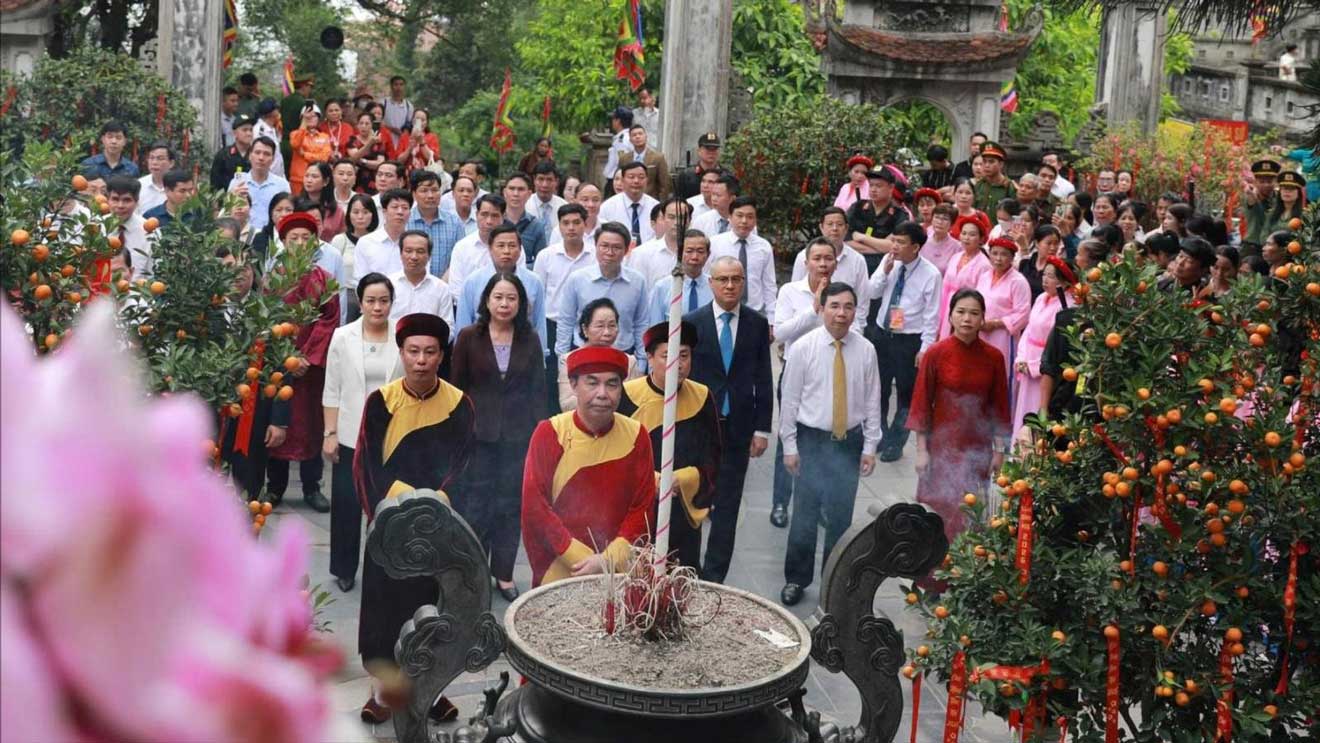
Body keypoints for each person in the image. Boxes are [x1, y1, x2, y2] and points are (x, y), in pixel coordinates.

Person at [353, 312, 474, 725]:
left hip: (439, 530)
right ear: (401, 353)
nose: (421, 360)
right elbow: (367, 464)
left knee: (431, 609)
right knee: (385, 609)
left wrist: (436, 505)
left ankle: (430, 690)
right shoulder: (381, 402)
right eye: (413, 352)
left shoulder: (459, 405)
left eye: (430, 352)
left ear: (442, 356)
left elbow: (464, 466)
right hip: (390, 525)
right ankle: (384, 691)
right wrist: (404, 507)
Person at [779, 282, 881, 606]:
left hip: (848, 442)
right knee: (805, 515)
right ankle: (796, 578)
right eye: (834, 305)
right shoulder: (803, 348)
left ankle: (833, 583)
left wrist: (870, 446)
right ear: (821, 308)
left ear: (855, 311)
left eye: (848, 306)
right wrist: (790, 447)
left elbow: (873, 400)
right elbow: (789, 402)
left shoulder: (865, 349)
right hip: (812, 440)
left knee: (841, 517)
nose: (841, 313)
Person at [521, 345, 656, 586]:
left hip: (620, 567)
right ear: (573, 385)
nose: (603, 394)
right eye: (592, 383)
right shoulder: (550, 432)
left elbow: (642, 506)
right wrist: (580, 558)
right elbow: (535, 506)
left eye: (612, 384)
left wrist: (608, 558)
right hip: (563, 566)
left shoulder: (637, 435)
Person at [452, 272, 546, 600]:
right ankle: (473, 573)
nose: (504, 304)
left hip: (518, 437)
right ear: (487, 301)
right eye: (498, 297)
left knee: (509, 506)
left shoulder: (530, 338)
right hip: (478, 437)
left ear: (521, 304)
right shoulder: (467, 337)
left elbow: (538, 390)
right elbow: (457, 388)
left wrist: (540, 435)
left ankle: (503, 574)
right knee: (475, 506)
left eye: (511, 298)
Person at [683, 256, 772, 582]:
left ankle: (714, 578)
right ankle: (687, 571)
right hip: (699, 427)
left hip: (738, 428)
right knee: (693, 501)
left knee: (728, 506)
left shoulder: (755, 323)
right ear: (711, 283)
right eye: (723, 279)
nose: (730, 286)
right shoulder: (692, 322)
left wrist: (762, 428)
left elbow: (763, 377)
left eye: (736, 279)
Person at [908, 289, 1010, 543]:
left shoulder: (994, 357)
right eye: (961, 312)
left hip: (977, 449)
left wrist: (999, 451)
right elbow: (921, 404)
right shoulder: (936, 353)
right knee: (935, 518)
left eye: (974, 313)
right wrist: (922, 450)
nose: (967, 319)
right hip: (941, 448)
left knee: (970, 517)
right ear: (950, 316)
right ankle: (930, 580)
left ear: (983, 318)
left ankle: (965, 579)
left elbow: (999, 407)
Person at [322, 273, 402, 593]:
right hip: (350, 432)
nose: (377, 307)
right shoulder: (343, 336)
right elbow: (333, 387)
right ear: (360, 301)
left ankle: (383, 566)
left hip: (391, 435)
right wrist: (329, 432)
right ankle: (344, 568)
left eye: (383, 301)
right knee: (346, 502)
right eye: (370, 300)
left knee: (386, 504)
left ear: (391, 302)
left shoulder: (403, 335)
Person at [618, 321, 721, 570]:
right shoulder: (628, 396)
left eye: (684, 355)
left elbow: (713, 456)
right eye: (667, 355)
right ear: (650, 358)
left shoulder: (702, 396)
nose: (678, 363)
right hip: (638, 507)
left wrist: (683, 478)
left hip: (683, 509)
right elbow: (616, 456)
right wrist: (650, 480)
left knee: (681, 577)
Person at [266, 212, 341, 513]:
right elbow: (268, 321)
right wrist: (288, 358)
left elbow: (330, 321)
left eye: (305, 238)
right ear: (283, 242)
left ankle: (312, 486)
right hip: (281, 365)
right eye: (293, 238)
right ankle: (275, 487)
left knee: (311, 424)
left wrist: (307, 357)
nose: (299, 243)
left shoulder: (325, 279)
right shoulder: (274, 280)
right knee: (278, 422)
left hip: (312, 369)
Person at [866, 221, 943, 463]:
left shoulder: (931, 274)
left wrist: (925, 348)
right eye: (894, 240)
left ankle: (895, 443)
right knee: (878, 389)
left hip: (908, 339)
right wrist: (884, 272)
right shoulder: (889, 261)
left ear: (916, 247)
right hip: (882, 333)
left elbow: (932, 315)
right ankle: (879, 435)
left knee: (906, 395)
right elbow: (872, 293)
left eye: (901, 242)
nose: (895, 246)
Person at [555, 223, 650, 360]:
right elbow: (566, 321)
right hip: (584, 353)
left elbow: (641, 323)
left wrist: (641, 361)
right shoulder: (577, 279)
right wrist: (563, 359)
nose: (609, 253)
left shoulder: (637, 282)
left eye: (616, 247)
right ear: (596, 247)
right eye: (604, 246)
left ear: (626, 250)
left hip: (623, 353)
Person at [453, 224, 549, 356]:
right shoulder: (472, 282)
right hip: (481, 354)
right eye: (501, 245)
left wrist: (541, 357)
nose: (506, 251)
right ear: (490, 249)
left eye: (512, 246)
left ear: (520, 250)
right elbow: (463, 325)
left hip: (522, 354)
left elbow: (539, 324)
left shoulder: (533, 281)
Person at [536, 203, 596, 411]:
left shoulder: (595, 254)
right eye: (566, 223)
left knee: (587, 376)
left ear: (585, 224)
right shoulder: (546, 256)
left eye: (576, 222)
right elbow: (539, 293)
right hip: (553, 325)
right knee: (554, 379)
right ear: (559, 226)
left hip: (587, 327)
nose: (571, 228)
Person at [1011, 257, 1073, 436]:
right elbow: (1028, 330)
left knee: (1040, 406)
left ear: (1064, 281)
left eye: (1052, 276)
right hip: (1028, 359)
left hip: (1045, 366)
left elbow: (1058, 347)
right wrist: (1021, 358)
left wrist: (1035, 366)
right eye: (1044, 274)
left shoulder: (1067, 306)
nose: (1045, 280)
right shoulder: (1040, 298)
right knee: (1023, 408)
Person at [791, 208, 871, 328]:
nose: (834, 228)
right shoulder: (803, 256)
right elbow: (794, 292)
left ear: (846, 228)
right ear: (821, 227)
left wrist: (857, 329)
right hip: (807, 326)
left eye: (839, 224)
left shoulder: (857, 260)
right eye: (829, 224)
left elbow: (862, 300)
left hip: (843, 328)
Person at [558, 299, 639, 411]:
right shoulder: (569, 360)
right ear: (585, 329)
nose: (607, 332)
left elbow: (634, 402)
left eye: (612, 325)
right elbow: (566, 405)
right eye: (600, 326)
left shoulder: (629, 362)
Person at [709, 196, 777, 324]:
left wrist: (771, 321)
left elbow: (769, 285)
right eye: (739, 216)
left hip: (755, 313)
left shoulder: (764, 246)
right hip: (722, 312)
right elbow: (709, 278)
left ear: (755, 220)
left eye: (750, 217)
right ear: (730, 217)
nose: (744, 221)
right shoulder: (715, 243)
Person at [975, 237, 1032, 380]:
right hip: (981, 331)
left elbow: (1023, 314)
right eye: (994, 253)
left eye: (1004, 254)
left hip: (1004, 335)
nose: (998, 259)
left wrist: (995, 323)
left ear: (1012, 258)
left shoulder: (1018, 281)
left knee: (1001, 372)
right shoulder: (984, 276)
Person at [448, 195, 526, 288]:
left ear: (503, 217)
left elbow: (521, 281)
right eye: (484, 215)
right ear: (477, 215)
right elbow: (456, 287)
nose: (489, 221)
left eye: (495, 216)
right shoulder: (462, 247)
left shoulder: (514, 248)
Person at [936, 212, 992, 339]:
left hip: (965, 310)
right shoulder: (955, 257)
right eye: (964, 233)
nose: (966, 238)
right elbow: (945, 287)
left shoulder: (984, 265)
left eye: (972, 234)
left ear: (981, 239)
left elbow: (981, 296)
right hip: (947, 306)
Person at [405, 170, 465, 278]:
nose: (430, 195)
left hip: (445, 287)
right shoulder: (405, 221)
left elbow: (461, 258)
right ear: (414, 194)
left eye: (435, 190)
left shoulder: (455, 223)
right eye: (424, 191)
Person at [388, 231, 454, 324]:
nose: (414, 257)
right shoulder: (388, 285)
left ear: (429, 256)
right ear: (401, 253)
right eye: (408, 251)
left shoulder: (442, 289)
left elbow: (448, 326)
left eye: (420, 251)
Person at [649, 228, 712, 323]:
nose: (694, 257)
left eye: (700, 251)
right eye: (689, 251)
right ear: (679, 253)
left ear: (708, 254)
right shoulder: (663, 287)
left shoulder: (715, 286)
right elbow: (655, 325)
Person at [331, 194, 379, 319]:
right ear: (349, 215)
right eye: (355, 212)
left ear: (373, 214)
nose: (360, 217)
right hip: (347, 295)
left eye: (365, 212)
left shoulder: (379, 240)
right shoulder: (340, 240)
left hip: (375, 295)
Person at [229, 136, 290, 233]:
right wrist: (231, 197)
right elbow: (228, 213)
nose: (261, 158)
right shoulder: (237, 182)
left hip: (270, 238)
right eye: (257, 153)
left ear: (273, 159)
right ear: (250, 155)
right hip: (243, 236)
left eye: (267, 154)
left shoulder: (282, 185)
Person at [627, 198, 689, 285]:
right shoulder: (642, 253)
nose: (677, 222)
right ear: (663, 218)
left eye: (682, 217)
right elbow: (635, 288)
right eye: (671, 217)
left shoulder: (698, 252)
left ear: (689, 220)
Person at [354, 188, 412, 282]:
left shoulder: (415, 243)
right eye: (395, 207)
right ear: (384, 212)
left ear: (410, 213)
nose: (400, 212)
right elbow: (360, 280)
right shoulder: (366, 243)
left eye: (405, 208)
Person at [599, 161, 660, 245]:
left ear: (647, 180)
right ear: (623, 180)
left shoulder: (656, 207)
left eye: (641, 177)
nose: (636, 181)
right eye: (631, 177)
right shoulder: (608, 207)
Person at [106, 176, 151, 277]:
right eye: (115, 199)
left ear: (136, 202)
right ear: (107, 200)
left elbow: (153, 273)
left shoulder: (149, 231)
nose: (120, 205)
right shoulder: (96, 228)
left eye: (127, 200)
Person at [500, 172, 549, 264]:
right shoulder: (496, 222)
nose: (516, 194)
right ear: (504, 192)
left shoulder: (536, 226)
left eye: (521, 189)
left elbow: (541, 261)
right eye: (512, 188)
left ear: (529, 194)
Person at [289, 103, 333, 196]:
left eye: (314, 116)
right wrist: (304, 123)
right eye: (307, 116)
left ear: (319, 118)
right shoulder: (295, 134)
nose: (310, 118)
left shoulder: (324, 137)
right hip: (298, 180)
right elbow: (295, 144)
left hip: (318, 180)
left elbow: (324, 158)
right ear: (302, 119)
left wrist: (304, 154)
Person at [619, 125, 672, 200]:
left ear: (646, 136)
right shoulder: (624, 159)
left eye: (640, 134)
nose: (637, 137)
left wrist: (661, 205)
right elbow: (621, 181)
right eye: (634, 135)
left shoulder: (658, 158)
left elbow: (664, 184)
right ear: (630, 140)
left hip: (651, 200)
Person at [1242, 159, 1282, 253]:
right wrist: (1250, 194)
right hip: (1253, 247)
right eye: (1262, 181)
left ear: (1275, 181)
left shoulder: (1279, 198)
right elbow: (1251, 201)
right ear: (1255, 181)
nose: (1266, 185)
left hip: (1274, 248)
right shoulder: (1251, 195)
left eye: (1269, 181)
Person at [1018, 224, 1063, 300]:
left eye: (1056, 244)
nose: (1053, 248)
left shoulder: (1058, 269)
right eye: (1048, 243)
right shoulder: (1025, 263)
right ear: (1036, 243)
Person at [301, 161, 344, 240]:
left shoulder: (337, 211)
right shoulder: (297, 206)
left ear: (326, 181)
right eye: (306, 176)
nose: (309, 180)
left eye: (314, 176)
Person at [249, 192, 294, 268]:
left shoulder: (301, 239)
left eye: (288, 210)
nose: (283, 214)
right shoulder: (261, 238)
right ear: (271, 214)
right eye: (279, 210)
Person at [393, 108, 442, 177]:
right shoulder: (405, 136)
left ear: (427, 123)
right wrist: (410, 147)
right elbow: (399, 160)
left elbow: (432, 159)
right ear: (413, 120)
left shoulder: (432, 137)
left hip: (426, 174)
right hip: (407, 174)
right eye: (417, 119)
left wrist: (422, 142)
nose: (420, 122)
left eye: (423, 120)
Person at [347, 111, 388, 192]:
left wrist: (362, 161)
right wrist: (370, 143)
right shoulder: (352, 140)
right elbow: (354, 158)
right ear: (357, 125)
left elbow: (380, 163)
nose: (363, 126)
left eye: (367, 123)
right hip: (357, 179)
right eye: (361, 123)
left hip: (374, 179)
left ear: (372, 125)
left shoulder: (378, 141)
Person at [674, 131, 721, 201]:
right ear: (699, 151)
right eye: (708, 149)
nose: (711, 152)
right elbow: (678, 202)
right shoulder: (686, 176)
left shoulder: (725, 175)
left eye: (714, 149)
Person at [210, 117, 254, 190]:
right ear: (235, 133)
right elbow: (215, 184)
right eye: (245, 130)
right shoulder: (223, 155)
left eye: (251, 130)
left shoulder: (256, 154)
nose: (249, 133)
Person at [690, 173, 739, 237]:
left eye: (718, 195)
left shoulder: (742, 222)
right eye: (713, 194)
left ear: (732, 198)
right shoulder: (702, 220)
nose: (714, 199)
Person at [529, 160, 567, 235]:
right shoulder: (525, 205)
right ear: (534, 180)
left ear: (556, 181)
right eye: (541, 179)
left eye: (549, 180)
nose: (544, 185)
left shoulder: (564, 206)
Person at [922, 203, 962, 274]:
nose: (940, 222)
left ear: (951, 224)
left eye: (945, 219)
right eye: (937, 217)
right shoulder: (922, 240)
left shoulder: (957, 247)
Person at [137, 141, 175, 214]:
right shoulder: (139, 185)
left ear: (171, 163)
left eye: (160, 159)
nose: (154, 162)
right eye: (151, 158)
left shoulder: (178, 187)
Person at [601, 106, 634, 187]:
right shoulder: (625, 137)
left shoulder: (622, 140)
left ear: (618, 121)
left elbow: (623, 161)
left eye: (613, 119)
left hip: (616, 180)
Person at [253, 98, 287, 177]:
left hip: (278, 175)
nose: (279, 112)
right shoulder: (260, 130)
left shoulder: (272, 128)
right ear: (272, 112)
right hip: (266, 176)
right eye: (277, 109)